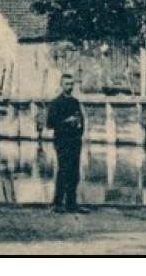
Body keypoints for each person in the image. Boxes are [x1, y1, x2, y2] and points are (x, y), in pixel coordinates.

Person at [46, 73, 87, 213]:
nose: (70, 86)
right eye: (67, 84)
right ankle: (57, 203)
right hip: (62, 141)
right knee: (63, 171)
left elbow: (81, 120)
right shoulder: (56, 103)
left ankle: (72, 203)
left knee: (75, 173)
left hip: (75, 141)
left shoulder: (75, 102)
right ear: (61, 85)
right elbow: (50, 123)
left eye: (71, 84)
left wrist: (79, 129)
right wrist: (66, 121)